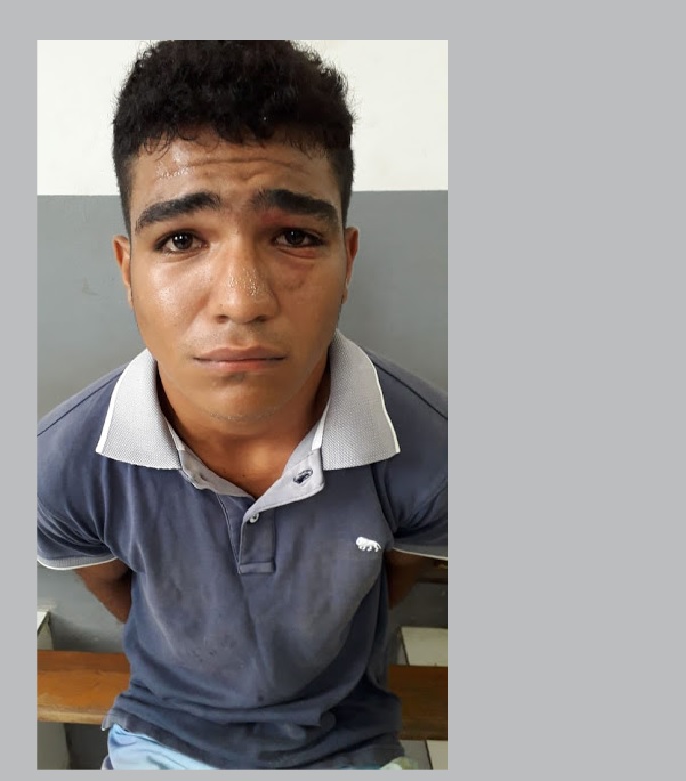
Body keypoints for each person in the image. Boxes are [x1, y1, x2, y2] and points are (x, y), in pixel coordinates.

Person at [37, 40, 447, 770]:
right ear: (127, 271)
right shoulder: (61, 465)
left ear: (346, 261)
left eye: (293, 236)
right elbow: (114, 587)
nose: (241, 301)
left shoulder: (433, 449)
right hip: (159, 740)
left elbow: (396, 575)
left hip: (346, 747)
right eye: (181, 239)